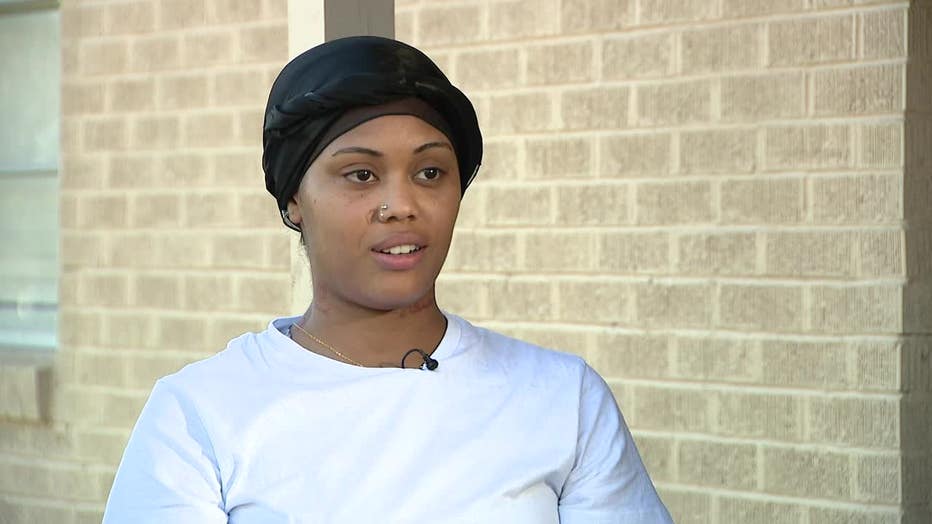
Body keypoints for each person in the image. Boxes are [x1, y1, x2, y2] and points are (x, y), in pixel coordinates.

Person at [102, 36, 673, 523]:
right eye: (361, 174)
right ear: (294, 197)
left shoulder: (563, 399)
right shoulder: (200, 414)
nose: (401, 204)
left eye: (430, 171)